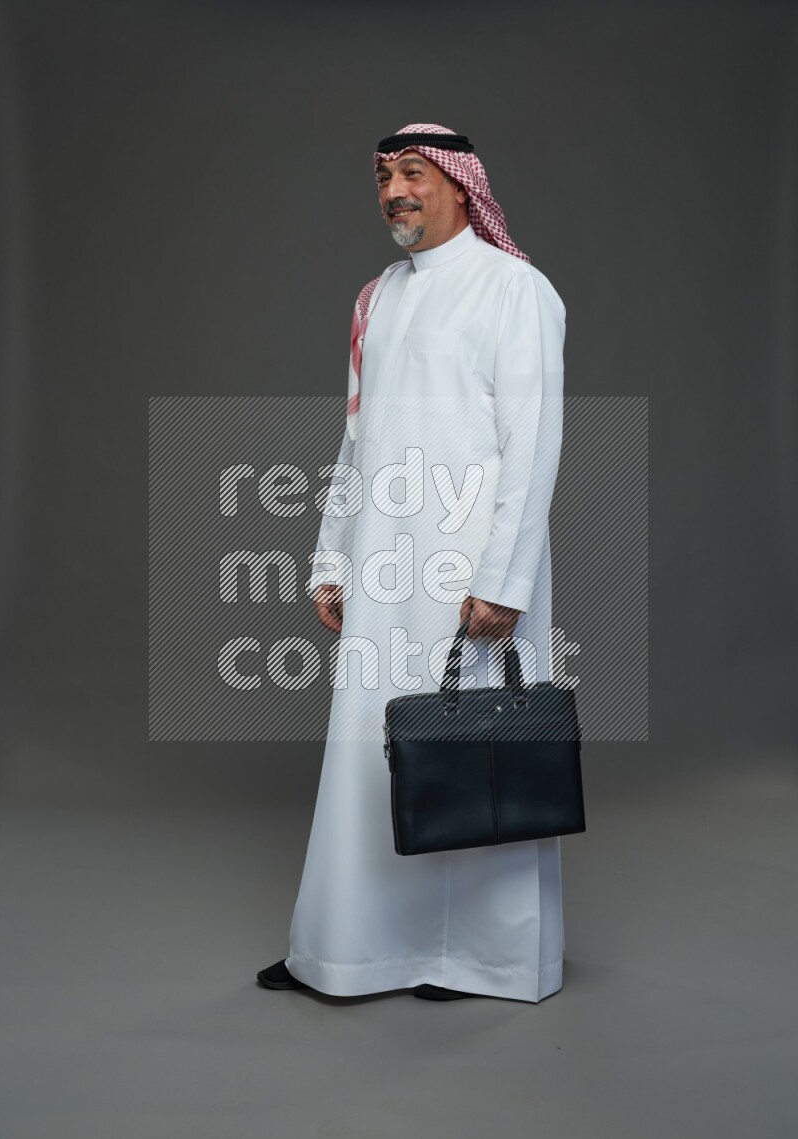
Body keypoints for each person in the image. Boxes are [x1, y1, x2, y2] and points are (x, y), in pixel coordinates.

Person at [258, 123, 567, 1002]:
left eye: (416, 174)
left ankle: (479, 958)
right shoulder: (377, 298)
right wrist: (332, 558)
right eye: (386, 175)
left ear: (463, 188)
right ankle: (352, 950)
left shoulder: (517, 290)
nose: (396, 190)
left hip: (471, 568)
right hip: (384, 562)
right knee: (370, 749)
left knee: (477, 751)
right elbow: (358, 441)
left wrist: (504, 581)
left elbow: (534, 441)